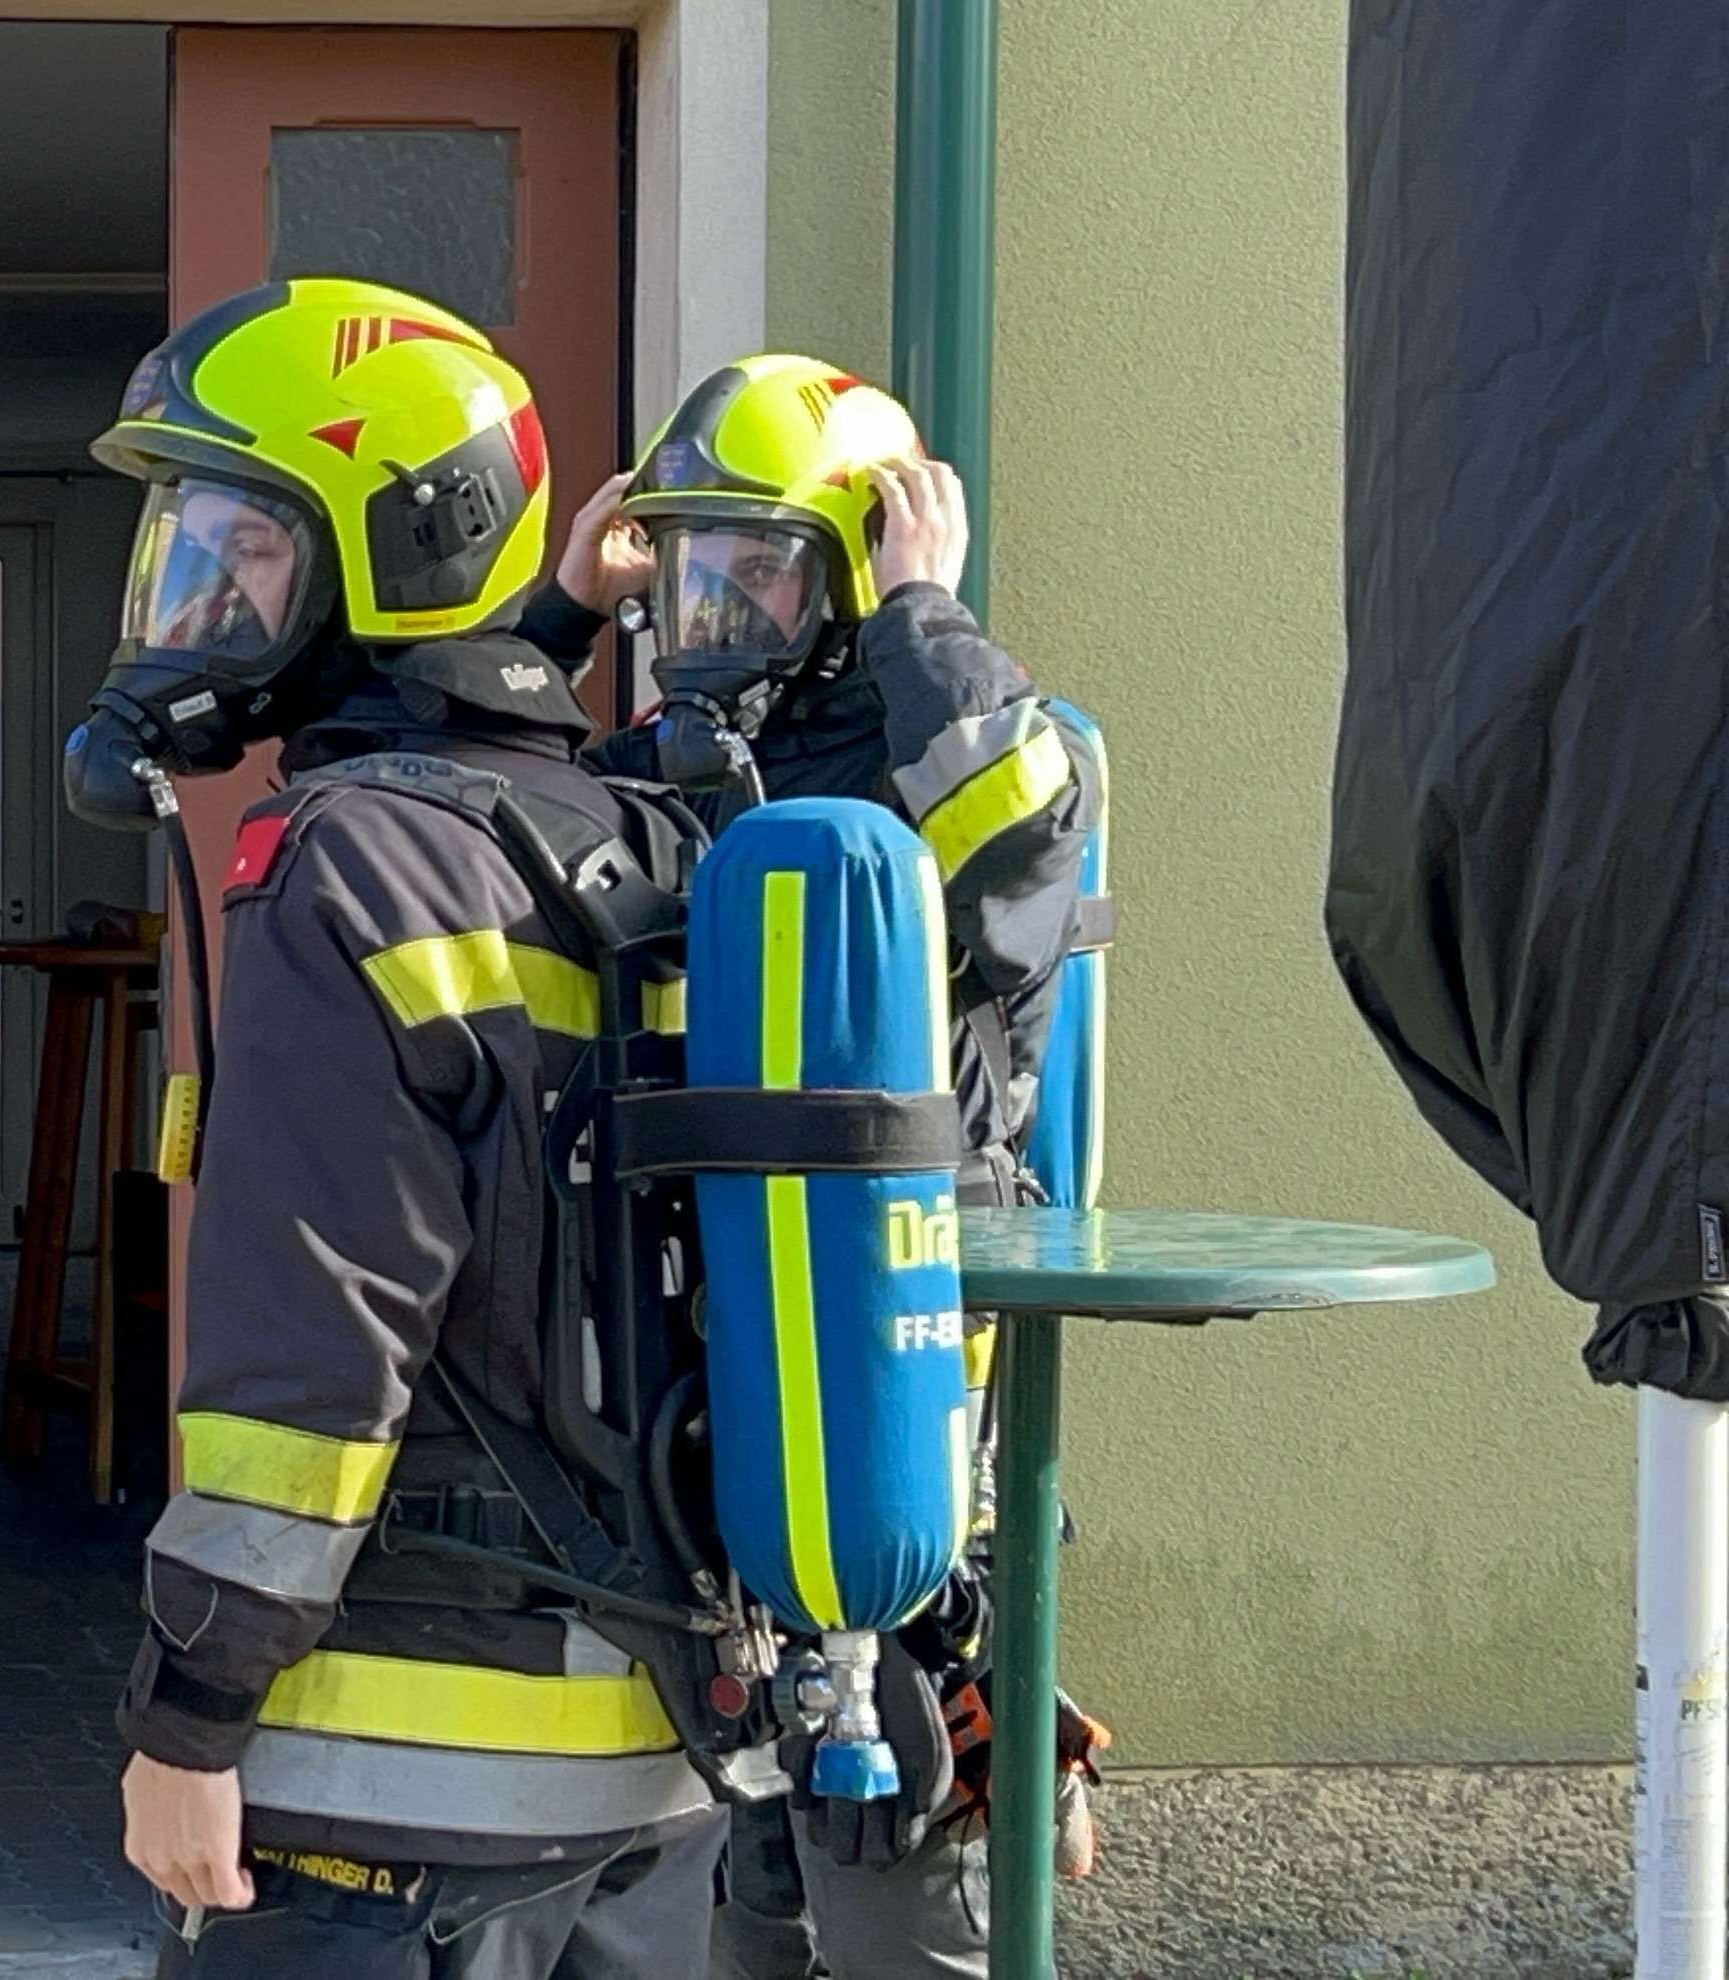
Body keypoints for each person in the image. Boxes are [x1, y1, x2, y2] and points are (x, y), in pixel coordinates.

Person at [65, 276, 725, 1979]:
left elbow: (314, 1347)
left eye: (245, 547)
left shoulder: (340, 866)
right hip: (660, 1774)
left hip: (388, 1789)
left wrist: (194, 1713)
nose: (195, 598)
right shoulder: (640, 840)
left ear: (395, 554)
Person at [522, 355, 1100, 1980]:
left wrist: (927, 622)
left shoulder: (961, 759)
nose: (711, 615)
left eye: (756, 571)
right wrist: (564, 618)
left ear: (855, 569)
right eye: (692, 574)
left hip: (886, 1432)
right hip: (699, 1437)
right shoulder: (677, 777)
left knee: (898, 1888)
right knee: (738, 1911)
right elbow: (482, 812)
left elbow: (1022, 863)